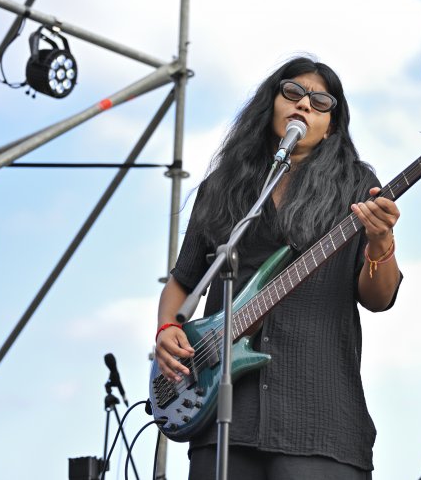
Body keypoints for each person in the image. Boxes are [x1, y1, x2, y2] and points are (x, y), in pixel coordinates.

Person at [154, 56, 403, 480]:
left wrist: (381, 243)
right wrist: (166, 329)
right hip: (223, 422)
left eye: (320, 102)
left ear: (332, 125)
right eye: (293, 92)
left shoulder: (357, 188)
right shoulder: (221, 188)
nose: (304, 104)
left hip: (320, 421)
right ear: (271, 102)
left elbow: (378, 299)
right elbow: (182, 282)